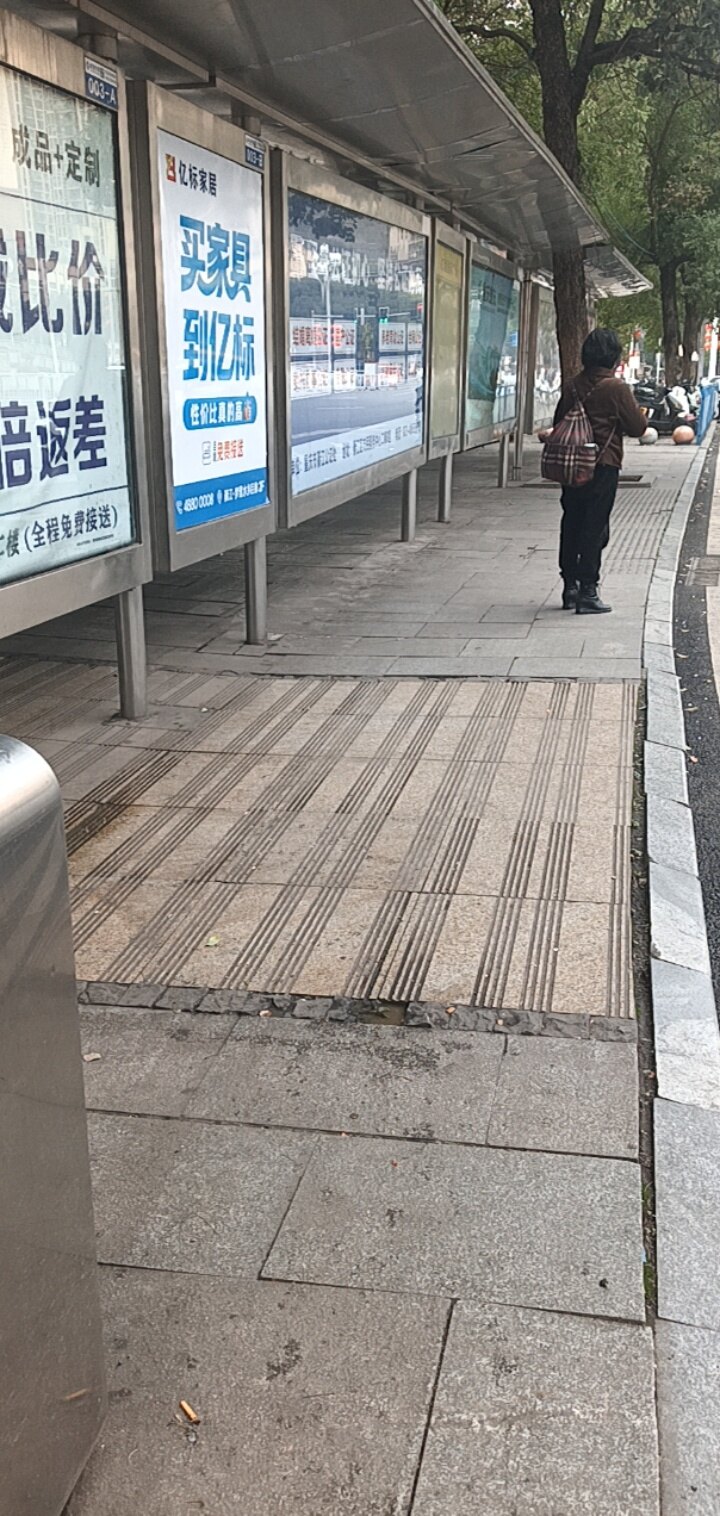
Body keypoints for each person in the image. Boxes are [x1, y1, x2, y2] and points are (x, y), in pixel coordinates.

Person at [553, 328, 648, 613]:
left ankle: (570, 587)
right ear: (614, 357)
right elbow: (638, 428)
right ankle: (589, 590)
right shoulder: (616, 388)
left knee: (572, 521)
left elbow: (559, 422)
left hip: (572, 465)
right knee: (595, 527)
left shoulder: (572, 386)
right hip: (603, 465)